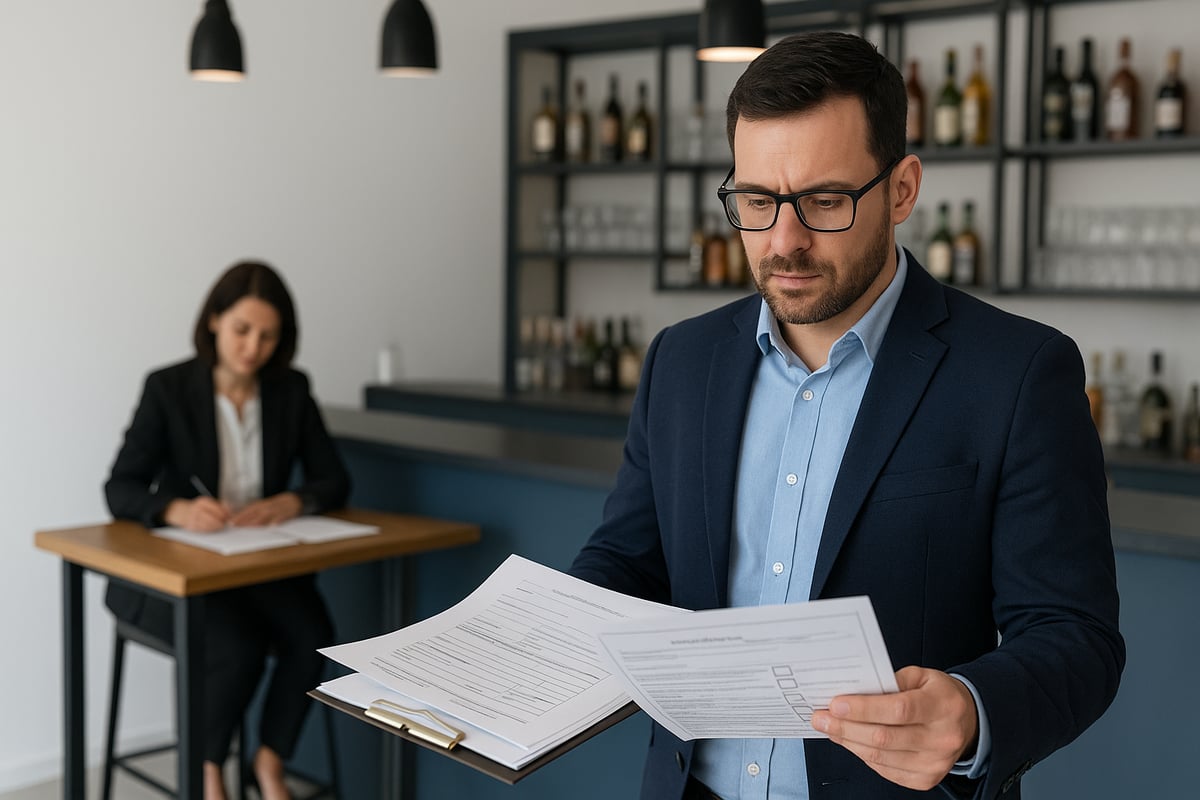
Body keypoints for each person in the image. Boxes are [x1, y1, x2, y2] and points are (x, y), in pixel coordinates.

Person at [570, 31, 1124, 800]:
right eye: (757, 203)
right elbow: (627, 564)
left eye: (825, 201)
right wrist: (541, 632)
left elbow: (1076, 637)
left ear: (901, 189)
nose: (783, 242)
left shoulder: (1018, 373)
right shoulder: (680, 361)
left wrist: (968, 711)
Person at [105, 261, 350, 800]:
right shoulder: (168, 388)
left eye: (267, 336)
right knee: (234, 648)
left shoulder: (290, 390)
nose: (252, 347)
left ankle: (268, 763)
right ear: (214, 320)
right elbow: (119, 488)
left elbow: (334, 480)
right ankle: (207, 771)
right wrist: (177, 510)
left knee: (313, 636)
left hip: (257, 566)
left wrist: (291, 500)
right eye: (242, 330)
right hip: (183, 575)